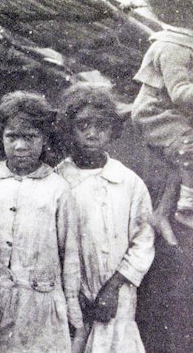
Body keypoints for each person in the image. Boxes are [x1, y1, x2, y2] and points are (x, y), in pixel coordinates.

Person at [0, 91, 82, 352]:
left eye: (30, 137)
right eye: (12, 137)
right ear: (1, 137)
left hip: (42, 305)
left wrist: (72, 309)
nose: (20, 146)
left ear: (45, 139)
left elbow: (70, 255)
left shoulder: (58, 188)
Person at [56, 83, 155, 353]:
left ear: (113, 130)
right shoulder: (57, 180)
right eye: (83, 125)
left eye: (101, 126)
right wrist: (72, 291)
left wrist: (113, 287)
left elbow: (143, 240)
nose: (92, 133)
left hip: (117, 294)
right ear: (70, 129)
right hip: (70, 293)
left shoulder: (127, 182)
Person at [130, 0, 193, 244]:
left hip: (171, 114)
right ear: (181, 11)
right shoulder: (173, 48)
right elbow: (179, 91)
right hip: (158, 115)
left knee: (185, 157)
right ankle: (186, 209)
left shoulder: (187, 40)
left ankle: (162, 213)